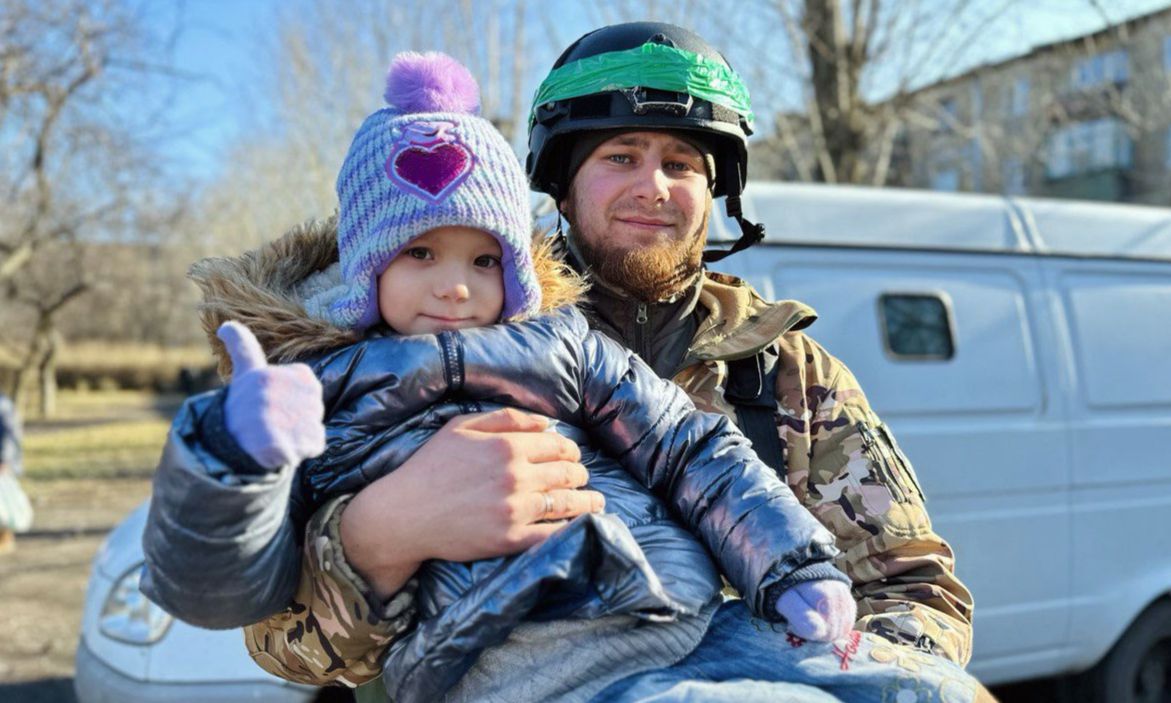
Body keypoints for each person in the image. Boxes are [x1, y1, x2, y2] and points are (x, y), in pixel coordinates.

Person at [142, 22, 988, 702]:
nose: (653, 185)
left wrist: (832, 663)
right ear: (560, 180)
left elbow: (915, 589)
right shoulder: (389, 351)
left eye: (682, 163)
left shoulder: (789, 376)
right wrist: (378, 536)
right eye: (620, 156)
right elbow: (279, 645)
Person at [0, 392, 29, 552]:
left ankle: (4, 539)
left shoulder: (3, 404)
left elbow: (10, 435)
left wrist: (5, 460)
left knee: (4, 506)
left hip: (3, 466)